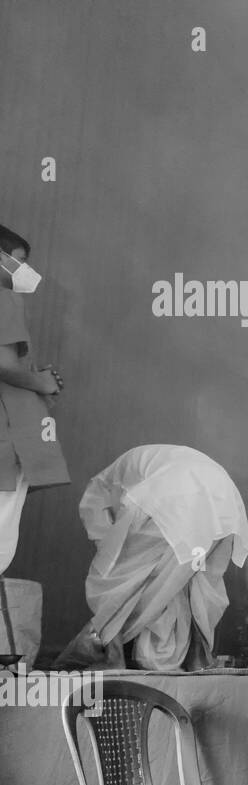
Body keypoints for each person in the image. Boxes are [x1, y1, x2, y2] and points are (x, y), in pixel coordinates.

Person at [55, 445, 248, 670]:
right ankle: (198, 659)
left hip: (175, 491)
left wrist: (115, 563)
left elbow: (104, 537)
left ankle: (112, 656)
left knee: (115, 581)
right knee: (192, 582)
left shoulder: (101, 488)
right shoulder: (142, 464)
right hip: (224, 499)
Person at [0, 224, 69, 574]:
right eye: (19, 260)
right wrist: (40, 382)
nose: (26, 270)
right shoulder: (3, 297)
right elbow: (4, 365)